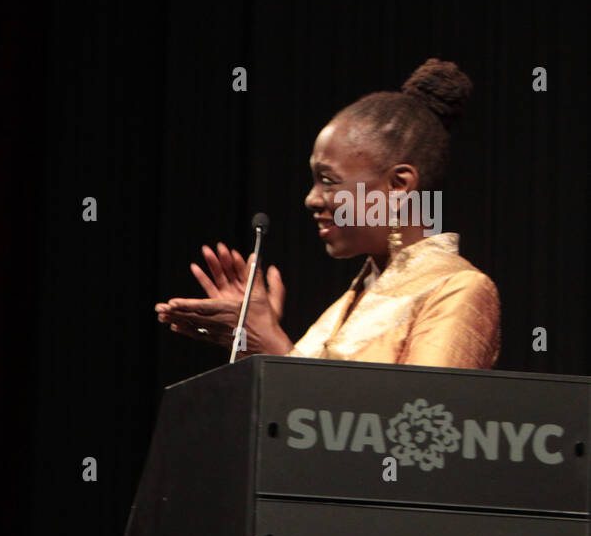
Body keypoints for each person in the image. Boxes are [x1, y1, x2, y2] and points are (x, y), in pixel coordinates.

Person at [156, 58, 501, 369]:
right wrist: (252, 342)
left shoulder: (457, 289)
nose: (311, 199)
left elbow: (423, 428)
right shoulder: (349, 304)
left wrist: (270, 343)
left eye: (328, 181)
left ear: (398, 185)